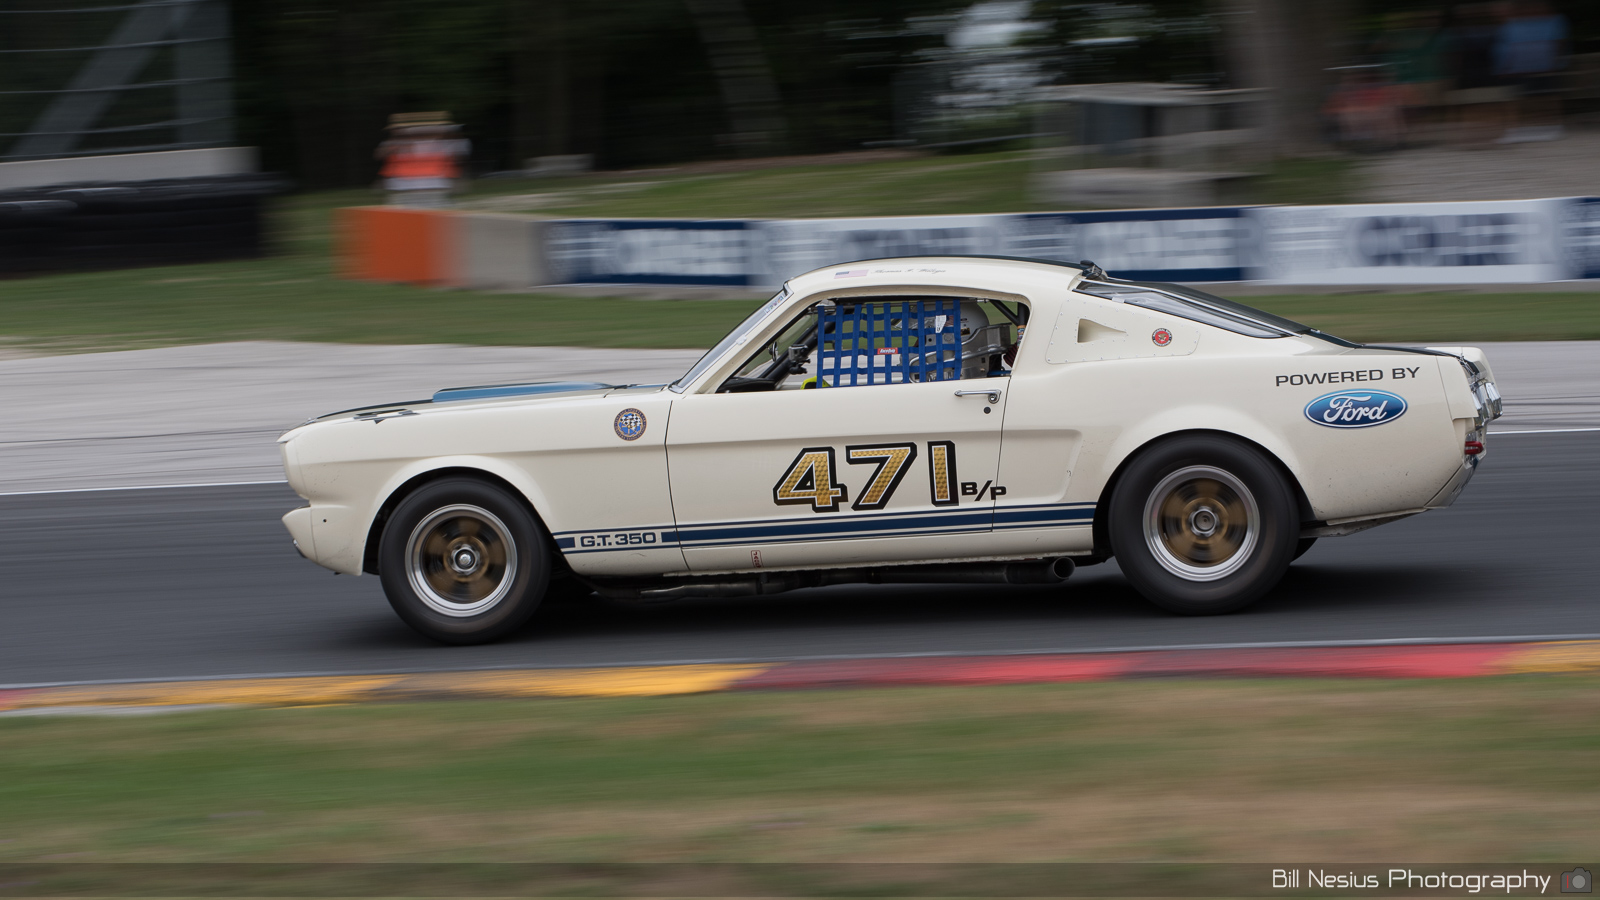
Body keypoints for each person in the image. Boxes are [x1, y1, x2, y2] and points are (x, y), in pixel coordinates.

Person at [1493, 0, 1570, 141]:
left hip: (1542, 66)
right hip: (1522, 68)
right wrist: (1505, 67)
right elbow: (1508, 48)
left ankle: (1553, 125)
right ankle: (1523, 127)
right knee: (1522, 97)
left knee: (1547, 95)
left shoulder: (1554, 20)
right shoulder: (1513, 24)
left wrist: (1556, 63)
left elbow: (1559, 43)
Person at [376, 113, 471, 207]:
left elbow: (457, 159)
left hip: (432, 185)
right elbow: (380, 155)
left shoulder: (446, 143)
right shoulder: (394, 144)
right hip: (406, 186)